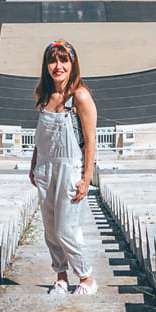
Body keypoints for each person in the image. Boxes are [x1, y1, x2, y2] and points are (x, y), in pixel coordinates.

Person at [29, 40, 98, 295]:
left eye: (63, 60)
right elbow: (41, 134)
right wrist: (34, 162)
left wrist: (86, 179)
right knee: (50, 229)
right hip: (46, 167)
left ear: (72, 64)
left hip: (70, 168)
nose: (57, 66)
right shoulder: (43, 94)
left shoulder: (79, 96)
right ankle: (61, 276)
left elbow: (90, 141)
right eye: (52, 60)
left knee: (66, 229)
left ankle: (86, 277)